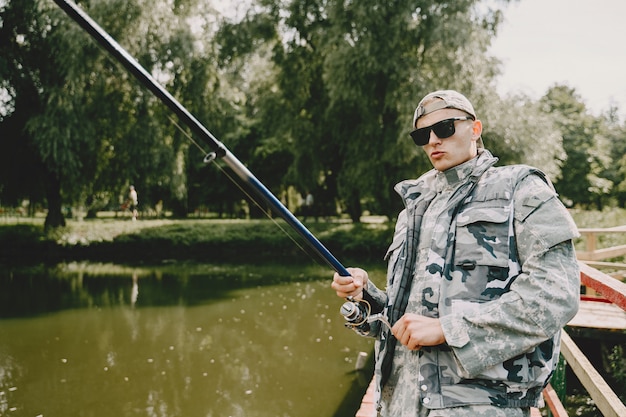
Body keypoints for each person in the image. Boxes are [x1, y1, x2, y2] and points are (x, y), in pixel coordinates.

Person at [331, 90, 580, 417]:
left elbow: (556, 295)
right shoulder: (412, 209)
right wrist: (366, 295)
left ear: (475, 129)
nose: (433, 140)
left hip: (478, 405)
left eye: (445, 127)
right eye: (422, 134)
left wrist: (450, 328)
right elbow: (402, 315)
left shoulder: (522, 189)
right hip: (398, 401)